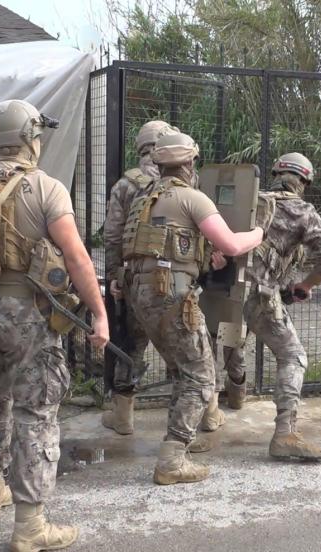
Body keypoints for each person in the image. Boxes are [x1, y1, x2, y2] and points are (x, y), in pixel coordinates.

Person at [0, 99, 108, 551]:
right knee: (36, 412)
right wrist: (99, 314)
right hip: (27, 316)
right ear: (29, 138)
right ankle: (30, 526)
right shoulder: (45, 188)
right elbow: (76, 258)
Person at [122, 132, 264, 485]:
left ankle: (179, 442)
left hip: (142, 295)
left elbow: (170, 246)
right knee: (201, 376)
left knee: (181, 370)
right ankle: (171, 460)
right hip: (172, 297)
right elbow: (232, 244)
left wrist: (203, 260)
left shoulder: (144, 197)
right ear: (189, 163)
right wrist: (259, 233)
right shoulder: (191, 197)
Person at [224, 152, 321, 460]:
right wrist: (306, 286)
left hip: (222, 291)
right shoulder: (302, 210)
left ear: (276, 174)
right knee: (293, 356)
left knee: (229, 340)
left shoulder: (249, 201)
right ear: (304, 182)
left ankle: (219, 408)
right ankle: (285, 433)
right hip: (258, 296)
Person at [102, 120, 178, 435]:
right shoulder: (185, 179)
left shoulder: (125, 185)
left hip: (137, 279)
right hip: (178, 279)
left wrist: (114, 276)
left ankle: (123, 417)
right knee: (186, 346)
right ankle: (204, 414)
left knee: (131, 343)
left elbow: (112, 236)